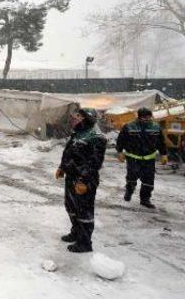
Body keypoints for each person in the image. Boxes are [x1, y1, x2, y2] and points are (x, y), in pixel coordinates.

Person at [55, 107, 107, 253]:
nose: (73, 117)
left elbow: (95, 163)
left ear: (86, 118)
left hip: (85, 179)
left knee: (84, 211)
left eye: (77, 115)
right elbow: (68, 153)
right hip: (71, 176)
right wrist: (62, 167)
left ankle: (85, 243)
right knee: (71, 206)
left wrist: (83, 180)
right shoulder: (77, 133)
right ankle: (76, 233)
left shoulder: (96, 137)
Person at [115, 107, 168, 209]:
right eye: (144, 118)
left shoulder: (156, 127)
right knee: (132, 178)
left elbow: (161, 142)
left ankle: (145, 200)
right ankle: (129, 191)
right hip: (133, 158)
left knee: (149, 181)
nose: (147, 120)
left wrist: (164, 154)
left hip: (149, 158)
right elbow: (121, 140)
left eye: (149, 117)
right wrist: (119, 152)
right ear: (139, 117)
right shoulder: (129, 126)